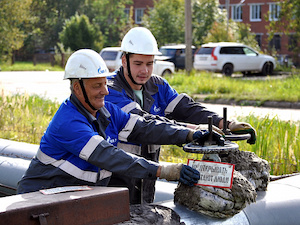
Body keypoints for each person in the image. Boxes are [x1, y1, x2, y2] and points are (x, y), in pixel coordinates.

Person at [17, 49, 225, 195]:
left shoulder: (105, 111)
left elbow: (144, 127)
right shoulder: (68, 123)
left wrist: (188, 133)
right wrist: (165, 171)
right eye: (97, 86)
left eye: (105, 84)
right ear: (77, 88)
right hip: (38, 202)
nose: (105, 91)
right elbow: (109, 156)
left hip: (73, 198)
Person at [105, 27, 257, 204]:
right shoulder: (109, 90)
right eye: (138, 64)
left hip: (147, 182)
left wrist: (226, 124)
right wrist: (191, 132)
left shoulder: (157, 86)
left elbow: (187, 108)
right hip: (116, 183)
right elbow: (145, 125)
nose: (145, 71)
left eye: (149, 63)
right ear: (124, 60)